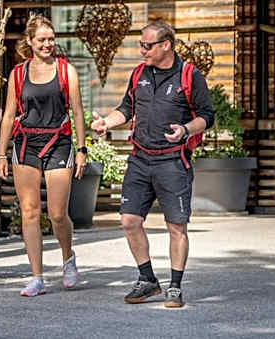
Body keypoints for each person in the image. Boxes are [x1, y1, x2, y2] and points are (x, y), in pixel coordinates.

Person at [90, 21, 214, 308]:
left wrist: (185, 130)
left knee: (176, 226)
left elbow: (208, 116)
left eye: (147, 45)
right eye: (141, 45)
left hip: (173, 161)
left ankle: (175, 285)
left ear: (166, 45)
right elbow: (126, 108)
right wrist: (106, 122)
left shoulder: (189, 75)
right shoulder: (139, 74)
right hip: (140, 159)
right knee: (129, 221)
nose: (141, 50)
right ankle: (147, 280)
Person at [0, 15, 87, 296]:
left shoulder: (65, 70)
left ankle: (68, 257)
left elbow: (78, 111)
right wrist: (1, 154)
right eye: (42, 40)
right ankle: (37, 276)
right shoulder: (18, 74)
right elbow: (10, 114)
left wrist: (82, 149)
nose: (48, 44)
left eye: (51, 39)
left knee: (58, 213)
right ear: (31, 42)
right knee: (30, 211)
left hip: (58, 142)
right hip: (26, 144)